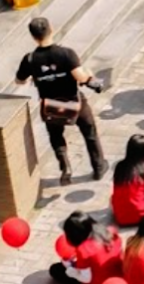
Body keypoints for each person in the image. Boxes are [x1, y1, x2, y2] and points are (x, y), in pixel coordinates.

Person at [16, 16, 106, 184]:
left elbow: (19, 80)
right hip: (74, 102)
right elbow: (81, 77)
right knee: (89, 133)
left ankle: (65, 165)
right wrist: (90, 75)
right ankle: (99, 167)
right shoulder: (66, 53)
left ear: (33, 36)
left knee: (56, 135)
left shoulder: (29, 59)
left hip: (50, 106)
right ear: (52, 29)